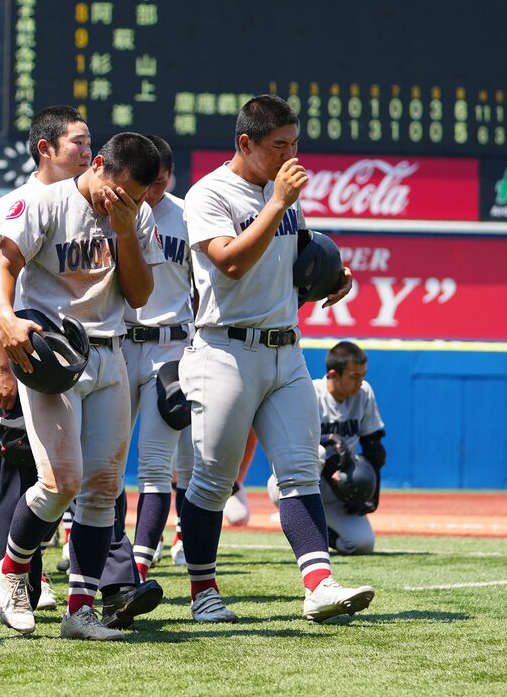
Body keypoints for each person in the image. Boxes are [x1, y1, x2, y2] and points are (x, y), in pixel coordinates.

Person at [177, 94, 372, 625]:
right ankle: (202, 591)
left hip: (285, 348)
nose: (290, 154)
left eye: (294, 143)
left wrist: (332, 277)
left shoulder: (282, 194)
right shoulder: (208, 193)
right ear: (246, 143)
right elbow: (231, 263)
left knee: (300, 470)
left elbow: (294, 259)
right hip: (225, 349)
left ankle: (319, 584)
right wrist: (277, 203)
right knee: (213, 480)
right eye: (278, 145)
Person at [0, 132, 163, 642]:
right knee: (60, 482)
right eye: (119, 190)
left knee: (104, 491)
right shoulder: (44, 201)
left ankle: (80, 609)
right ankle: (13, 570)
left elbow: (139, 294)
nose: (121, 201)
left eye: (134, 197)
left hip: (110, 351)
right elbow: (4, 269)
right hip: (51, 354)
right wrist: (5, 319)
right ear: (100, 164)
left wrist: (126, 229)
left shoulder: (136, 216)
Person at [0, 106, 93, 610]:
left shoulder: (94, 203)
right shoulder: (15, 205)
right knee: (23, 475)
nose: (87, 150)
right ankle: (13, 580)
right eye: (76, 142)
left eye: (88, 140)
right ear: (45, 149)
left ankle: (69, 582)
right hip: (29, 365)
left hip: (82, 364)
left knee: (71, 478)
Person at [126, 135, 194, 584]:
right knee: (104, 464)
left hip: (173, 345)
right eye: (146, 180)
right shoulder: (115, 212)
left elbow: (205, 286)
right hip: (122, 342)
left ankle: (138, 565)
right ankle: (98, 557)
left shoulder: (189, 215)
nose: (152, 189)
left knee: (156, 464)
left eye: (160, 180)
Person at [269, 341, 385, 556]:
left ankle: (311, 526)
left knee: (362, 544)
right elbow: (291, 440)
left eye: (363, 375)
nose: (360, 382)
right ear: (334, 374)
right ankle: (295, 514)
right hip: (293, 481)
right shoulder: (309, 392)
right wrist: (328, 439)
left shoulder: (364, 393)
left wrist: (371, 495)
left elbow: (374, 447)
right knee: (319, 452)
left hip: (336, 486)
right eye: (354, 376)